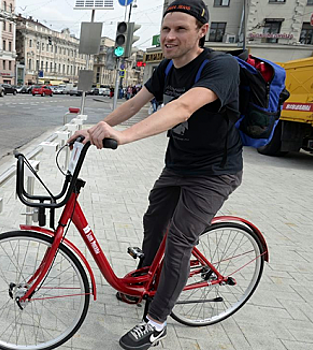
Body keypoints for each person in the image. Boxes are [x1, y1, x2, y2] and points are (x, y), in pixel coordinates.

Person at [68, 0, 242, 349]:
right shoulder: (166, 69)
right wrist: (96, 129)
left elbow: (183, 107)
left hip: (214, 172)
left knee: (179, 240)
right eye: (165, 29)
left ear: (202, 32)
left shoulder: (219, 67)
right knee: (154, 221)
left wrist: (126, 136)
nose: (170, 36)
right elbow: (135, 104)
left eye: (180, 29)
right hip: (177, 165)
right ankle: (143, 283)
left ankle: (156, 321)